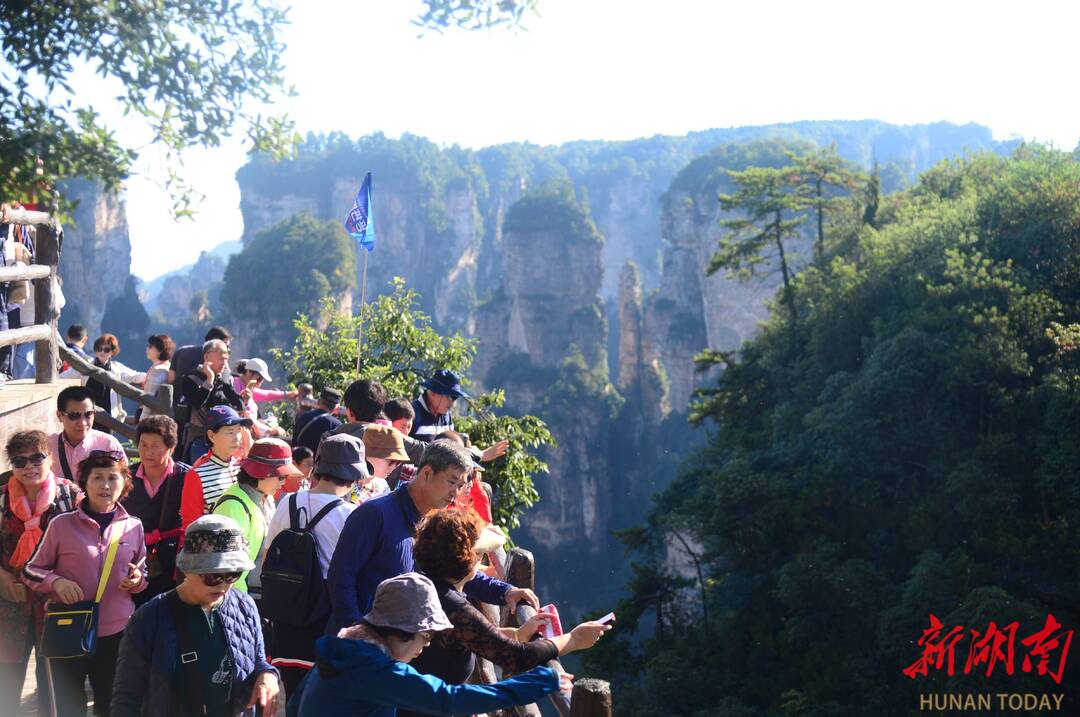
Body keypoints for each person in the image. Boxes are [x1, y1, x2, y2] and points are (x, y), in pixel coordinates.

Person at [401, 511, 610, 717]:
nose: (481, 558)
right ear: (466, 561)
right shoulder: (453, 606)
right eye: (479, 553)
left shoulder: (424, 583)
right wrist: (573, 639)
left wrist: (518, 634)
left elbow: (462, 636)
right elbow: (516, 657)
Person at [325, 440, 537, 637]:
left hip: (399, 648)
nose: (456, 492)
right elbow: (341, 577)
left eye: (461, 485)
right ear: (426, 473)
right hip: (359, 649)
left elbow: (456, 571)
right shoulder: (374, 514)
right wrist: (355, 632)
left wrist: (506, 592)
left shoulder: (433, 520)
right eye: (451, 482)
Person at [292, 572, 562, 717]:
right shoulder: (374, 669)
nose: (426, 646)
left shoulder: (345, 644)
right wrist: (543, 680)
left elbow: (294, 705)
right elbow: (447, 699)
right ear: (407, 630)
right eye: (427, 635)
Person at [111, 514, 281, 717]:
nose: (223, 584)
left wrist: (268, 674)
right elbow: (126, 697)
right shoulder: (148, 619)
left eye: (233, 574)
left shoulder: (245, 606)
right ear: (187, 568)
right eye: (213, 575)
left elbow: (258, 660)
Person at [23, 449, 147, 717]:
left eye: (113, 478)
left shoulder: (134, 527)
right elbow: (31, 570)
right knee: (68, 707)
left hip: (116, 634)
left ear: (124, 484)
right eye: (97, 478)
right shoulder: (61, 525)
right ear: (84, 483)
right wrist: (56, 582)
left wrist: (136, 580)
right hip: (68, 629)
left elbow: (142, 574)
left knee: (111, 704)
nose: (105, 485)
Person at [265, 434, 361, 695]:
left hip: (285, 609)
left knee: (292, 688)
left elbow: (269, 550)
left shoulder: (288, 501)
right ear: (354, 476)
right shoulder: (350, 515)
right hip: (322, 613)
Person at [0, 431, 79, 714]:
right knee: (5, 685)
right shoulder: (1, 498)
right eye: (20, 461)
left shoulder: (70, 496)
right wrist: (2, 577)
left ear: (50, 459)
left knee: (53, 685)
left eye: (37, 458)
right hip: (10, 604)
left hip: (54, 603)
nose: (29, 466)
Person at [213, 437, 300, 598]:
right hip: (239, 597)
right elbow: (228, 568)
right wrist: (242, 605)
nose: (284, 482)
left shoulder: (266, 498)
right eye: (281, 476)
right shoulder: (233, 506)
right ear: (260, 474)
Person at [122, 415, 189, 604]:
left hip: (173, 558)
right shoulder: (126, 477)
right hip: (134, 557)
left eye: (155, 445)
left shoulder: (186, 478)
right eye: (143, 444)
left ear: (171, 448)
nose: (147, 451)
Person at [180, 405, 252, 532]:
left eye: (239, 431)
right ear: (211, 436)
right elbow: (190, 525)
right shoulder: (196, 474)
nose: (237, 438)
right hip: (214, 550)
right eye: (230, 432)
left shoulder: (243, 466)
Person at [178, 338, 246, 463]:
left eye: (226, 358)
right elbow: (197, 403)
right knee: (200, 473)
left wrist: (243, 401)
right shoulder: (191, 378)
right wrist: (209, 380)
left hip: (223, 438)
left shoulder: (225, 377)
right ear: (207, 356)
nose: (224, 363)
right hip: (199, 438)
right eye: (221, 358)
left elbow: (236, 403)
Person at [61, 333, 148, 426]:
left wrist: (154, 373)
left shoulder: (117, 368)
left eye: (106, 350)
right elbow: (65, 376)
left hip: (109, 415)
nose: (102, 352)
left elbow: (135, 376)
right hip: (87, 413)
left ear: (112, 352)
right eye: (99, 349)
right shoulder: (86, 364)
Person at [48, 385, 127, 484]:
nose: (83, 422)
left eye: (88, 414)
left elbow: (124, 481)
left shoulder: (108, 444)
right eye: (74, 416)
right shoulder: (47, 446)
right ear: (59, 416)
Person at [351, 424, 408, 504]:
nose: (394, 466)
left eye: (398, 462)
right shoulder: (346, 484)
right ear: (368, 454)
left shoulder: (382, 485)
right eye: (392, 461)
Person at [409, 369, 467, 443]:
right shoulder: (412, 413)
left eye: (455, 397)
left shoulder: (447, 416)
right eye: (450, 396)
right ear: (433, 392)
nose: (452, 402)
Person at [292, 388, 343, 455]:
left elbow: (294, 442)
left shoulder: (302, 417)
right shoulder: (337, 425)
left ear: (318, 401)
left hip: (299, 463)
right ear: (336, 408)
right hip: (321, 464)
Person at [141, 333, 175, 402]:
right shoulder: (167, 365)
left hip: (150, 411)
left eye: (150, 346)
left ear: (160, 351)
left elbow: (150, 398)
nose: (147, 348)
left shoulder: (158, 370)